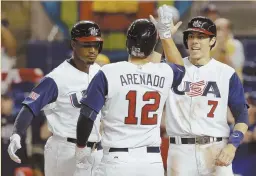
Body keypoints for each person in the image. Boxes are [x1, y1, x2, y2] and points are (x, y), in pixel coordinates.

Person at [75, 5, 184, 176]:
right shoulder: (163, 72)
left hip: (117, 160)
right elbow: (180, 67)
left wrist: (81, 148)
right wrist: (166, 36)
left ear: (127, 43)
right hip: (151, 163)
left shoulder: (108, 72)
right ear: (151, 47)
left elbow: (87, 116)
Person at [7, 20, 104, 176]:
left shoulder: (99, 72)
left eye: (96, 44)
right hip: (65, 149)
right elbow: (30, 106)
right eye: (86, 45)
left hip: (95, 150)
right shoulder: (56, 78)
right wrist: (17, 133)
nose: (92, 50)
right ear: (74, 44)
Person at [164, 16, 249, 176]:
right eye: (191, 36)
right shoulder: (172, 70)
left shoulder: (226, 73)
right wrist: (163, 37)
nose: (194, 41)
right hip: (181, 151)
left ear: (212, 41)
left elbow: (242, 116)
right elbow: (148, 66)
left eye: (201, 37)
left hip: (216, 149)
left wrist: (232, 146)